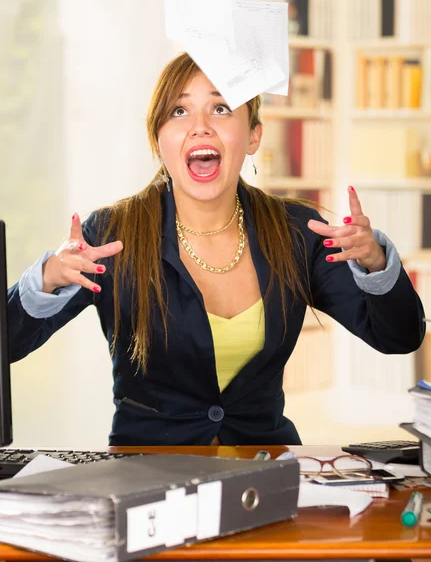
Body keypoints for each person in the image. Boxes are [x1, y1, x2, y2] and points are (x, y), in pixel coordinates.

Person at [8, 52, 425, 446]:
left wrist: (377, 264)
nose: (200, 126)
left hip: (265, 473)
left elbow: (401, 337)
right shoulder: (113, 234)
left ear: (253, 136)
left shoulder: (297, 233)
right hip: (149, 479)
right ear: (158, 139)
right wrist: (44, 280)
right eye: (179, 110)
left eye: (221, 108)